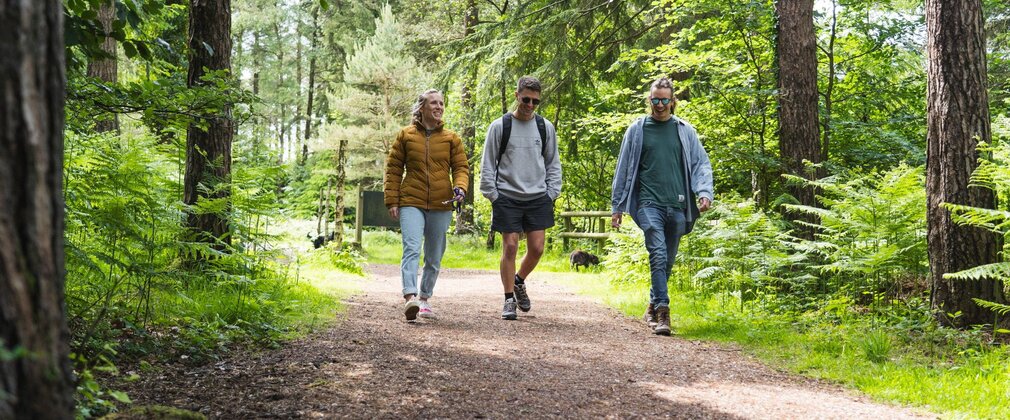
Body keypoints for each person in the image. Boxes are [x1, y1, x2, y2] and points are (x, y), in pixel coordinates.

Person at [610, 77, 713, 335]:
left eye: (664, 100)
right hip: (647, 203)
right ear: (649, 99)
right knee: (657, 252)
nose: (659, 104)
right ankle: (663, 311)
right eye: (655, 99)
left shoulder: (684, 130)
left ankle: (652, 305)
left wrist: (704, 192)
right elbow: (623, 168)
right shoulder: (637, 130)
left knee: (666, 260)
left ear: (672, 100)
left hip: (678, 205)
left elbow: (701, 163)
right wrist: (617, 206)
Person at [480, 76, 562, 320]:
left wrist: (552, 193)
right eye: (526, 99)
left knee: (537, 248)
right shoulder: (500, 126)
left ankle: (518, 280)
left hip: (538, 197)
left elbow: (553, 163)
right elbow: (488, 164)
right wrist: (493, 195)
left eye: (535, 101)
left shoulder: (545, 127)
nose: (530, 105)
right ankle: (508, 300)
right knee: (510, 246)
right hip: (507, 195)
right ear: (517, 96)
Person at [385, 89, 469, 321]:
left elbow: (461, 168)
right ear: (421, 107)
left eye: (441, 103)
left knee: (434, 254)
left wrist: (460, 187)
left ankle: (424, 298)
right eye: (433, 103)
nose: (438, 107)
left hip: (442, 202)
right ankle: (410, 297)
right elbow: (393, 169)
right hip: (411, 200)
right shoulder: (405, 135)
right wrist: (392, 200)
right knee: (412, 248)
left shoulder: (451, 138)